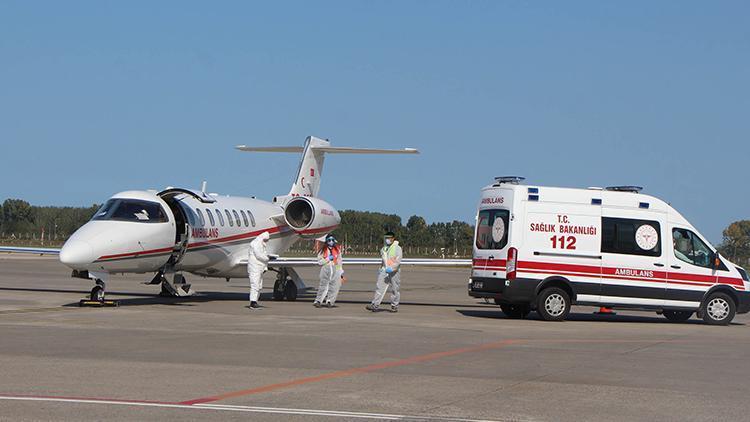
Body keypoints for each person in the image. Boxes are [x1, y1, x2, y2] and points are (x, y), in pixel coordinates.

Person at [366, 231, 402, 312]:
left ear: (393, 238)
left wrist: (392, 268)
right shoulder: (384, 249)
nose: (387, 240)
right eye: (386, 238)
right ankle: (375, 304)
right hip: (384, 271)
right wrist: (381, 269)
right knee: (379, 287)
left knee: (395, 289)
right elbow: (383, 261)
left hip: (394, 272)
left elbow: (398, 261)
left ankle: (394, 305)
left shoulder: (398, 248)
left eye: (389, 238)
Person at [313, 234, 345, 308]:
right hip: (326, 269)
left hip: (335, 269)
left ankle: (330, 301)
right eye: (329, 240)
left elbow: (339, 262)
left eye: (332, 240)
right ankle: (318, 301)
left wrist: (340, 273)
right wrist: (327, 259)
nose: (331, 242)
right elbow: (320, 262)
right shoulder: (323, 251)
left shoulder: (337, 251)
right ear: (326, 241)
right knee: (323, 285)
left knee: (334, 286)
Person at [247, 231, 271, 309]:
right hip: (254, 267)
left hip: (260, 268)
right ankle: (253, 302)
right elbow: (259, 255)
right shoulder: (255, 244)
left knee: (259, 286)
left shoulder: (262, 244)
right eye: (265, 240)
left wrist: (265, 267)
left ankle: (255, 301)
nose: (266, 242)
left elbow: (263, 256)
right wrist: (268, 258)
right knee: (255, 285)